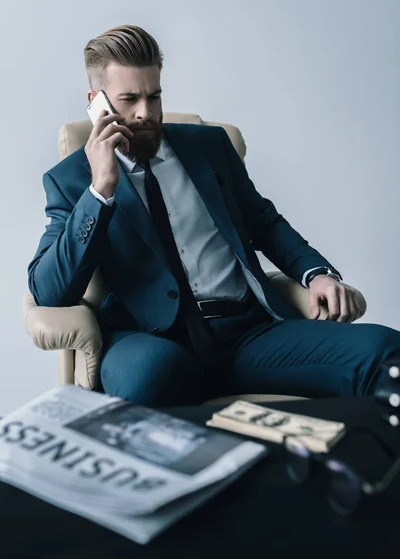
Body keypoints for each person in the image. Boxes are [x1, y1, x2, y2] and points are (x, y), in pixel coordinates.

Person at [28, 24, 400, 407]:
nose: (146, 113)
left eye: (154, 96)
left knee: (385, 351)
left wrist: (318, 274)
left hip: (246, 333)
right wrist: (100, 189)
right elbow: (49, 291)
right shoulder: (72, 179)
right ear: (97, 102)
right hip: (149, 341)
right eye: (129, 99)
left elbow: (264, 222)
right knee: (154, 373)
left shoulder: (209, 147)